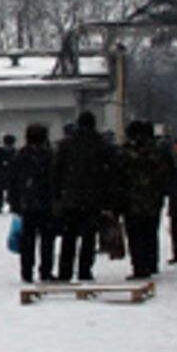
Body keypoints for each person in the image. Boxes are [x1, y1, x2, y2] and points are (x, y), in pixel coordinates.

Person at [53, 111, 115, 282]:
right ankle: (84, 270)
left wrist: (57, 194)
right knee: (89, 237)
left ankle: (65, 271)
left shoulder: (66, 145)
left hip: (70, 198)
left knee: (69, 237)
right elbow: (109, 174)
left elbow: (57, 172)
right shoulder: (102, 145)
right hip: (94, 199)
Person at [118, 121, 174, 280]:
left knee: (135, 234)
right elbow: (168, 173)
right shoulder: (159, 151)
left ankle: (139, 266)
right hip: (153, 198)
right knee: (150, 231)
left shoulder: (126, 152)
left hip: (132, 199)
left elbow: (118, 175)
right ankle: (151, 262)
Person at [8, 124, 54, 284]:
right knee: (47, 240)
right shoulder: (49, 156)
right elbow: (54, 181)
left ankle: (27, 271)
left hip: (26, 204)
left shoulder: (20, 156)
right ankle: (46, 270)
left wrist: (14, 203)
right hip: (46, 203)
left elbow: (12, 182)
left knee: (28, 240)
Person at [0, 134, 17, 214]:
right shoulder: (14, 152)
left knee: (1, 191)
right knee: (6, 190)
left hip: (2, 173)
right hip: (7, 173)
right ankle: (8, 206)